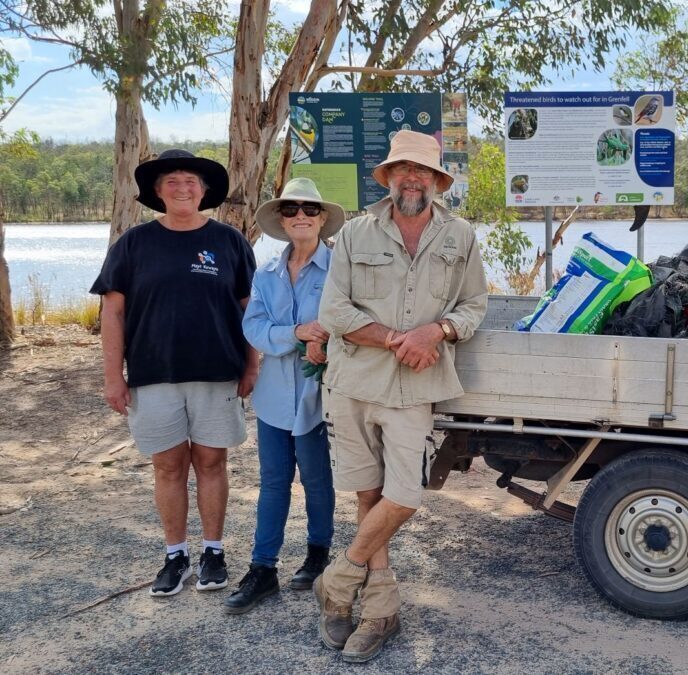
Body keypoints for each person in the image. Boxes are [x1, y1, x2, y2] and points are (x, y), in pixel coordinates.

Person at [315, 130, 487, 663]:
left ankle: (340, 580)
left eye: (424, 172)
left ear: (437, 181)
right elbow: (334, 313)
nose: (413, 179)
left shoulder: (461, 237)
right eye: (402, 170)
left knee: (403, 495)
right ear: (388, 177)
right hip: (354, 382)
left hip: (416, 387)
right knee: (368, 495)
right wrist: (395, 338)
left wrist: (437, 332)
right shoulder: (353, 234)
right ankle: (380, 609)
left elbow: (475, 304)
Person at [90, 149, 258, 597]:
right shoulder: (133, 243)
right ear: (157, 191)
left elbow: (251, 310)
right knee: (167, 467)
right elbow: (113, 313)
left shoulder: (230, 241)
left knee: (211, 462)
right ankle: (175, 556)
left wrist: (251, 364)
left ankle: (214, 552)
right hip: (152, 374)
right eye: (172, 181)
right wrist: (113, 376)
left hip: (217, 371)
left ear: (204, 192)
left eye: (191, 181)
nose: (183, 187)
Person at [223, 178, 345, 614]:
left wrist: (325, 340)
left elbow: (352, 322)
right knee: (273, 483)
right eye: (291, 209)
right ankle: (263, 569)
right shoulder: (266, 273)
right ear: (280, 218)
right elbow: (252, 328)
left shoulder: (340, 270)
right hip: (274, 397)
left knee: (317, 481)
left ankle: (318, 553)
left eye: (309, 209)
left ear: (322, 218)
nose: (300, 216)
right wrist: (295, 334)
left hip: (319, 397)